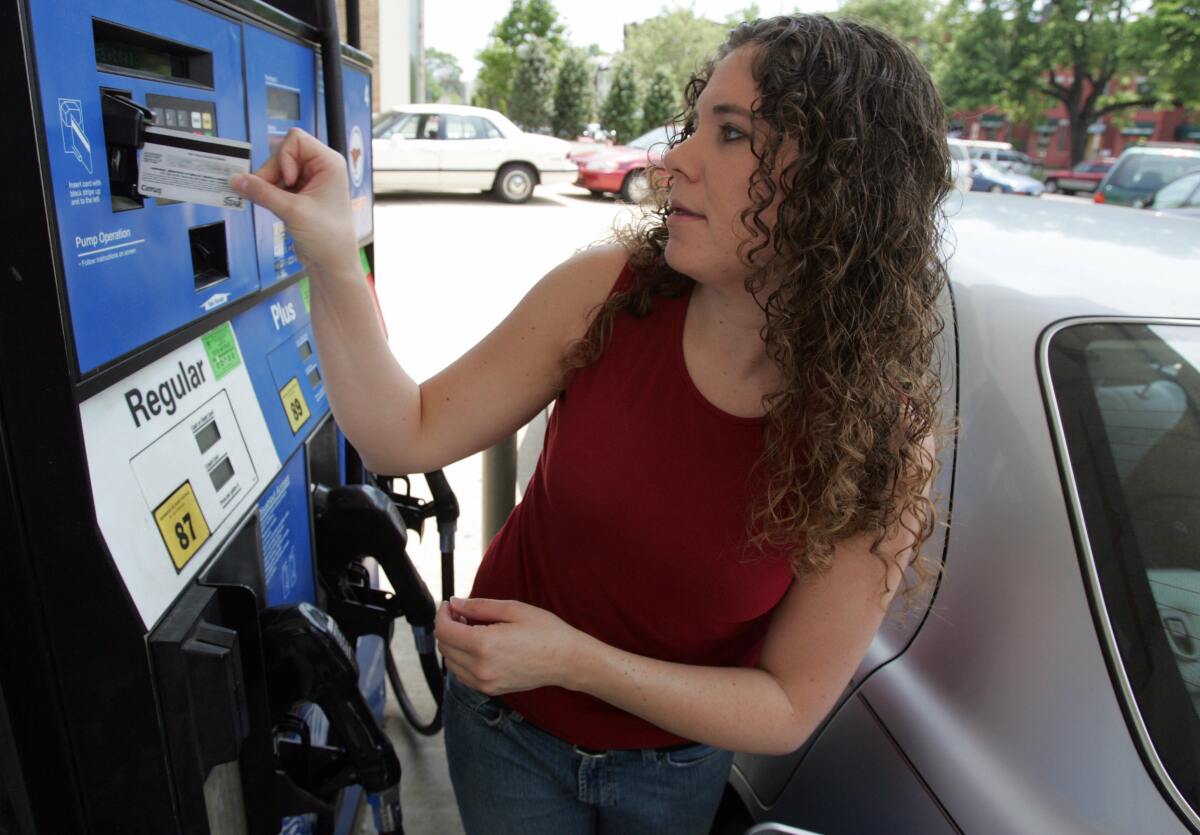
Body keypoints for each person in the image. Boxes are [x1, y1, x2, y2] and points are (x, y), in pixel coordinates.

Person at [232, 13, 951, 835]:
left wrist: (575, 660)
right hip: (505, 730)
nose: (673, 159)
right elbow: (405, 431)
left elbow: (787, 702)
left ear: (838, 185)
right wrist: (330, 254)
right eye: (695, 125)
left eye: (730, 134)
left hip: (676, 763)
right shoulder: (609, 293)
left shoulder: (883, 444)